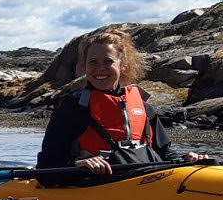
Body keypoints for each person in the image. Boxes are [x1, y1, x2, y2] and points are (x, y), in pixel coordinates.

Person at [36, 27, 205, 175]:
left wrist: (184, 158)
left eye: (108, 62)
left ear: (122, 65)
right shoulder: (72, 109)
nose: (100, 69)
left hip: (144, 181)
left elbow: (164, 153)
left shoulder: (145, 110)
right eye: (93, 62)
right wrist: (77, 163)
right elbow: (46, 166)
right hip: (93, 184)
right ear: (85, 66)